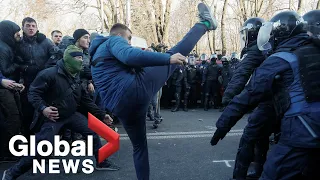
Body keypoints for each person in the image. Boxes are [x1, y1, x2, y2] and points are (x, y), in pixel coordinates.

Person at [90, 3, 217, 179]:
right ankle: (206, 24)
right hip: (133, 91)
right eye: (129, 39)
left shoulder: (95, 59)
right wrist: (167, 58)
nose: (129, 43)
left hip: (122, 109)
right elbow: (129, 56)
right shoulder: (114, 40)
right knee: (175, 52)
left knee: (139, 147)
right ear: (119, 35)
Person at [211, 11, 320, 179]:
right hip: (304, 122)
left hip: (301, 127)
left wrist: (224, 122)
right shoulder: (310, 50)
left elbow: (250, 91)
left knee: (271, 167)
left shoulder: (282, 57)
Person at [2, 45, 119, 180]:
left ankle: (101, 162)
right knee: (42, 148)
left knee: (92, 132)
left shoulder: (76, 76)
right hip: (53, 117)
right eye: (76, 58)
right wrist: (43, 108)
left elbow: (85, 100)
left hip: (71, 114)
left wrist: (101, 115)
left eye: (81, 57)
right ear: (68, 59)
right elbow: (33, 93)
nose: (80, 61)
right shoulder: (49, 74)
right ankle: (12, 173)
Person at [17, 17, 56, 138]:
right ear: (23, 27)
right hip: (26, 81)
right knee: (27, 110)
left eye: (33, 26)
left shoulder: (45, 41)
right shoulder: (18, 43)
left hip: (44, 81)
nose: (31, 28)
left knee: (45, 110)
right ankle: (28, 139)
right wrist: (25, 68)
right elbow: (14, 60)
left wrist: (46, 68)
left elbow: (56, 54)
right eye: (28, 25)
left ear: (37, 28)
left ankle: (45, 140)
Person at [0, 20, 25, 162]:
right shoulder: (2, 48)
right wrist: (17, 64)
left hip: (9, 86)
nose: (19, 35)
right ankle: (8, 152)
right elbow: (5, 70)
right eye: (16, 32)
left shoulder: (8, 46)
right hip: (3, 88)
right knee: (13, 117)